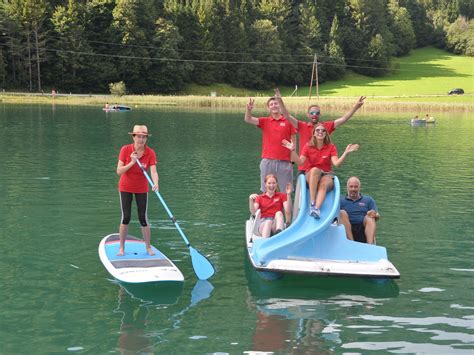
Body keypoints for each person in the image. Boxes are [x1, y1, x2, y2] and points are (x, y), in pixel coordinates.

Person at [274, 88, 365, 174]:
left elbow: (344, 119)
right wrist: (280, 101)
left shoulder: (325, 127)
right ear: (308, 115)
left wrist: (356, 107)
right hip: (304, 169)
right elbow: (287, 116)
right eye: (312, 113)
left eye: (317, 113)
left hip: (324, 171)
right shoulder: (302, 126)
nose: (314, 115)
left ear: (320, 115)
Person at [282, 123, 359, 219]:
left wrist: (345, 153)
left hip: (326, 174)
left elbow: (336, 164)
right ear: (314, 133)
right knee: (315, 170)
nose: (320, 132)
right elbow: (300, 162)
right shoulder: (308, 146)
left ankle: (316, 209)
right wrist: (292, 151)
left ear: (326, 133)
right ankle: (312, 203)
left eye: (323, 130)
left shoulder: (331, 147)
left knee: (323, 184)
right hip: (311, 175)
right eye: (318, 130)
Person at [116, 125, 159, 256]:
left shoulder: (150, 152)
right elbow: (119, 171)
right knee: (126, 217)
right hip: (125, 187)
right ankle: (121, 248)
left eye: (144, 137)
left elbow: (153, 171)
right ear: (133, 137)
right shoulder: (125, 149)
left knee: (143, 218)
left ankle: (148, 247)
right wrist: (132, 162)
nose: (141, 139)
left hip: (141, 188)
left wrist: (156, 183)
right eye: (138, 136)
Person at [244, 97, 297, 192]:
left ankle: (286, 207)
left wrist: (292, 162)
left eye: (276, 103)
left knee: (286, 192)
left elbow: (293, 144)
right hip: (267, 162)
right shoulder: (265, 121)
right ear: (268, 108)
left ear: (280, 105)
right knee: (266, 192)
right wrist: (248, 110)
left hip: (284, 162)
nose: (274, 106)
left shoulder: (289, 121)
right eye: (271, 104)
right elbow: (248, 119)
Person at [339, 176, 379, 244]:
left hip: (363, 228)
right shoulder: (340, 201)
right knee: (341, 212)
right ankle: (351, 243)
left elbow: (377, 216)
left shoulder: (368, 200)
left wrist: (374, 214)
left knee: (370, 218)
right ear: (347, 187)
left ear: (359, 187)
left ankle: (370, 246)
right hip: (346, 228)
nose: (353, 189)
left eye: (356, 186)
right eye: (351, 187)